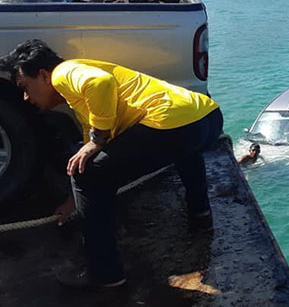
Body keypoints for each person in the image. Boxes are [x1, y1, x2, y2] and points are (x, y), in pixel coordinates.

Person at [1, 39, 223, 289]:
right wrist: (73, 201)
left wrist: (98, 138)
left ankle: (106, 274)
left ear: (43, 75)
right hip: (208, 118)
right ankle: (201, 217)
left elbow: (100, 83)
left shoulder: (64, 73)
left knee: (87, 173)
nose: (25, 97)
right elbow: (94, 142)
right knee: (179, 149)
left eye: (25, 87)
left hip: (177, 126)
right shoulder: (82, 102)